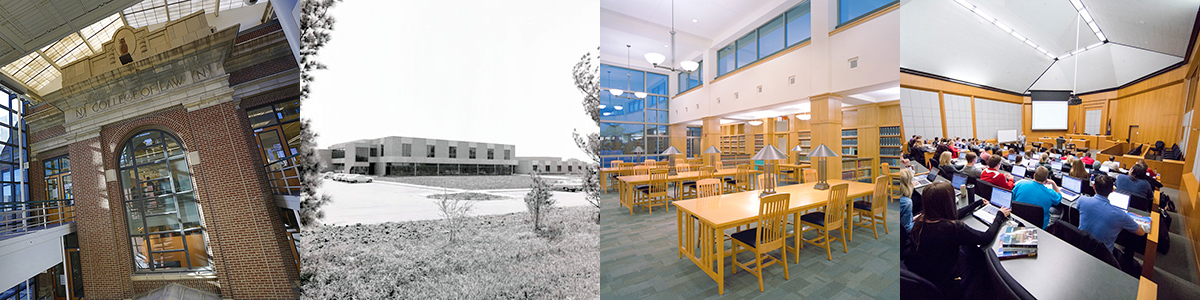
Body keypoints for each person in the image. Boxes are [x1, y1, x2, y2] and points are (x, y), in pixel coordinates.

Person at [906, 182, 1009, 298]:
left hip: (929, 273)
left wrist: (977, 204)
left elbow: (952, 215)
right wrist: (1000, 215)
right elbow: (986, 238)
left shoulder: (921, 220)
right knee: (979, 253)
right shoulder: (953, 228)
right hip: (950, 279)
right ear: (948, 203)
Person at [1078, 175, 1146, 251]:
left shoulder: (1082, 200)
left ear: (1093, 186)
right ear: (1112, 190)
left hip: (1081, 245)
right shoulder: (1121, 215)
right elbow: (1141, 232)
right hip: (1103, 255)